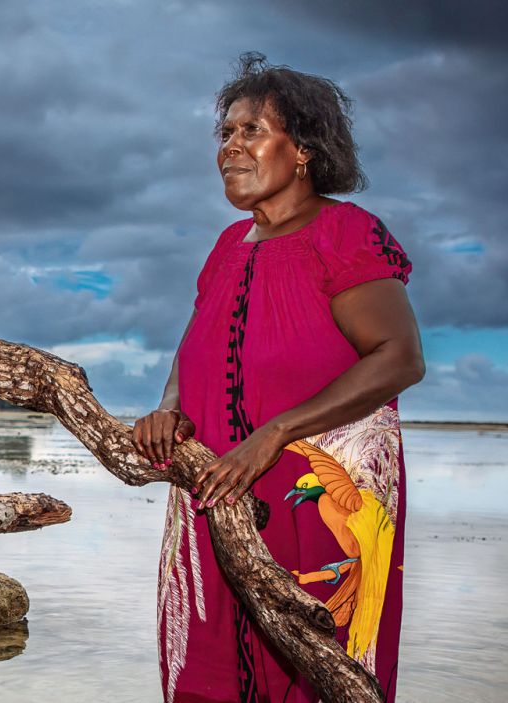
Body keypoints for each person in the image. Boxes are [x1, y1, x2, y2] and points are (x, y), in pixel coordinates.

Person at [132, 53, 425, 703]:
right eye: (226, 134)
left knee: (319, 666)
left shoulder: (346, 234)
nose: (231, 147)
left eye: (251, 131)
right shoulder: (226, 247)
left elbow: (400, 356)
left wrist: (275, 434)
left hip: (322, 507)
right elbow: (196, 347)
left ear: (304, 151)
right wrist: (168, 410)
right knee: (212, 669)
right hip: (220, 496)